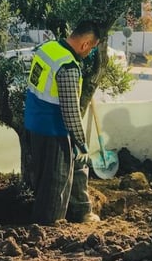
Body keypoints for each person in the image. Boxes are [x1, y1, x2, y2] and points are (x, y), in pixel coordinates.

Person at [24, 20, 102, 225]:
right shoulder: (68, 67)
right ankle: (50, 226)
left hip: (34, 121)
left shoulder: (48, 48)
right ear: (85, 44)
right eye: (92, 48)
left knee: (45, 178)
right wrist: (80, 141)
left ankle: (79, 212)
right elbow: (70, 111)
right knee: (55, 184)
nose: (90, 53)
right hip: (53, 130)